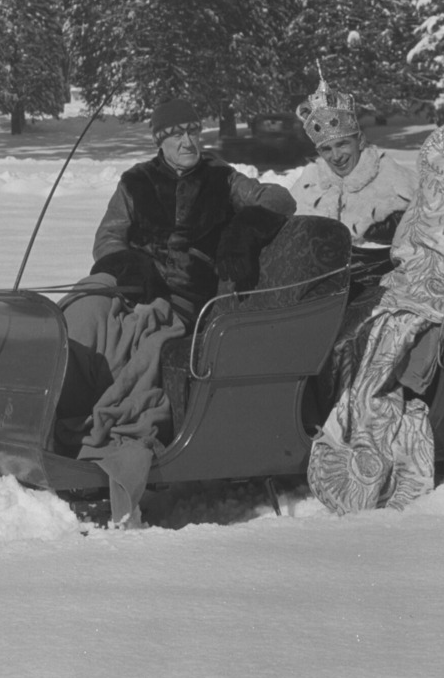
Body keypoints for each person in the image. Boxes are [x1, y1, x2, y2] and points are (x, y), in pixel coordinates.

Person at [58, 98, 296, 526]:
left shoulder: (221, 178)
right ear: (160, 141)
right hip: (133, 286)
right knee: (82, 310)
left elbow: (279, 197)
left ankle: (113, 442)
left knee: (147, 344)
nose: (188, 142)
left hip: (185, 302)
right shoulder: (135, 183)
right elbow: (108, 239)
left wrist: (244, 230)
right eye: (177, 135)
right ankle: (59, 419)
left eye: (193, 132)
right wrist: (131, 264)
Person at [307, 107, 444, 513]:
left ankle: (390, 441)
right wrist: (421, 270)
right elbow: (407, 245)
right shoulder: (435, 189)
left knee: (396, 333)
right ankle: (360, 426)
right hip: (416, 284)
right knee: (371, 332)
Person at [288, 90, 415, 260]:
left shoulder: (395, 179)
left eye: (342, 144)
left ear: (361, 140)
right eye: (327, 149)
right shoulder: (309, 182)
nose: (336, 156)